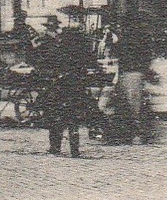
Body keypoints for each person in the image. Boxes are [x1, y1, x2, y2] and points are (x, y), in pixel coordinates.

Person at [31, 27, 98, 157]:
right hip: (77, 89)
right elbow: (91, 67)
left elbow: (44, 66)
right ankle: (74, 149)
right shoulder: (82, 52)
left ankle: (55, 148)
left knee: (56, 119)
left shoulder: (57, 50)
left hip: (59, 89)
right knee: (73, 121)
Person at [110, 26, 157, 144]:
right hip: (135, 74)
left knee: (129, 104)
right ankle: (136, 132)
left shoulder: (123, 40)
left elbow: (116, 55)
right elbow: (147, 59)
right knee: (135, 104)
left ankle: (130, 133)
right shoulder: (142, 40)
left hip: (127, 74)